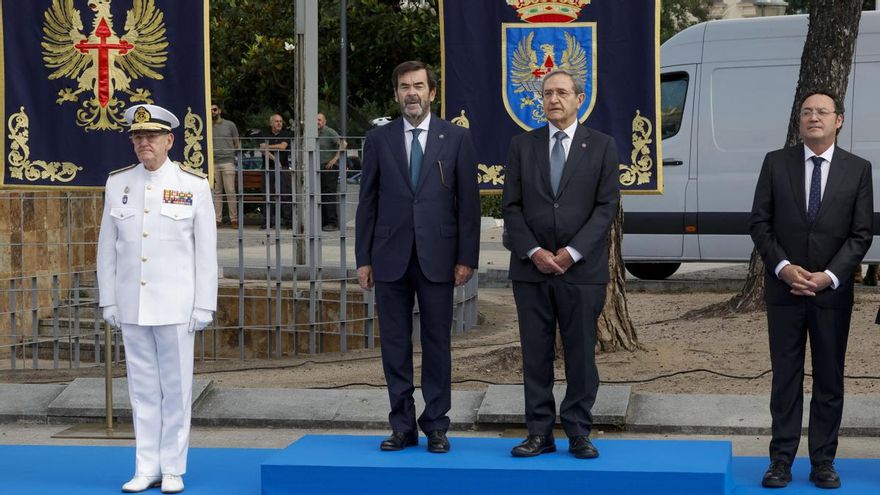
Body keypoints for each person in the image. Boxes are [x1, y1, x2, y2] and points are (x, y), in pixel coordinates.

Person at [355, 60, 480, 454]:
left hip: (439, 258)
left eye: (419, 86)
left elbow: (468, 206)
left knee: (437, 343)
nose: (412, 93)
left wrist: (466, 257)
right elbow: (367, 202)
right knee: (394, 344)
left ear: (432, 92)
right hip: (389, 257)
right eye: (405, 87)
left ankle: (437, 425)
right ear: (396, 94)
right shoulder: (379, 139)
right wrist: (364, 259)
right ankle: (402, 426)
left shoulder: (456, 138)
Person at [750, 91, 873, 490]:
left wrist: (830, 276)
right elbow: (760, 224)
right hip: (785, 292)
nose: (813, 117)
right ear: (798, 121)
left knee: (829, 379)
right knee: (785, 378)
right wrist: (784, 269)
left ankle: (823, 461)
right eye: (807, 112)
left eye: (822, 112)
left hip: (831, 295)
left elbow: (860, 234)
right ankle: (780, 461)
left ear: (839, 120)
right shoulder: (775, 163)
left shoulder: (858, 169)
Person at [97, 104, 218, 493]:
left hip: (176, 306)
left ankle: (173, 467)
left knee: (176, 389)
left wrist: (204, 304)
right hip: (133, 303)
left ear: (170, 139)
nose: (143, 142)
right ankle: (145, 465)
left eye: (150, 136)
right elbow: (107, 248)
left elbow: (206, 252)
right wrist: (109, 300)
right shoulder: (118, 183)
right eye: (137, 136)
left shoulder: (192, 184)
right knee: (142, 389)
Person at [501, 69, 619, 460]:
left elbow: (606, 208)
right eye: (548, 93)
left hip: (581, 272)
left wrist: (572, 252)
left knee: (581, 354)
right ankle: (539, 433)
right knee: (535, 354)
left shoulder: (601, 146)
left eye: (562, 92)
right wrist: (534, 251)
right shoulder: (522, 145)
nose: (554, 99)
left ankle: (579, 432)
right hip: (531, 271)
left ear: (579, 99)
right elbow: (511, 207)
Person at [257, 114, 294, 228]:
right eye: (276, 121)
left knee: (285, 194)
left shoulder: (286, 134)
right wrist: (275, 159)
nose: (279, 123)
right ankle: (267, 222)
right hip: (268, 168)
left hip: (283, 168)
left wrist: (268, 147)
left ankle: (288, 221)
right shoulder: (263, 133)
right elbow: (262, 149)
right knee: (267, 195)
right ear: (271, 123)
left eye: (281, 121)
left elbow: (283, 147)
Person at [211, 103, 241, 228]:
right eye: (210, 110)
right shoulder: (207, 126)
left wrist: (231, 153)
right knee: (217, 192)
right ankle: (217, 220)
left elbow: (237, 142)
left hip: (228, 161)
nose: (212, 111)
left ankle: (234, 219)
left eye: (214, 109)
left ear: (219, 111)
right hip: (214, 162)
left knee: (230, 191)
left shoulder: (230, 125)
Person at [317, 112, 346, 231]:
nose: (317, 122)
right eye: (315, 120)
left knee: (328, 195)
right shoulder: (313, 133)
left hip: (329, 168)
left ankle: (332, 222)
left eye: (319, 120)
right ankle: (322, 222)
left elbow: (343, 144)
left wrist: (334, 159)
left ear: (325, 121)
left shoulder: (329, 132)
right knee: (319, 195)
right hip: (317, 168)